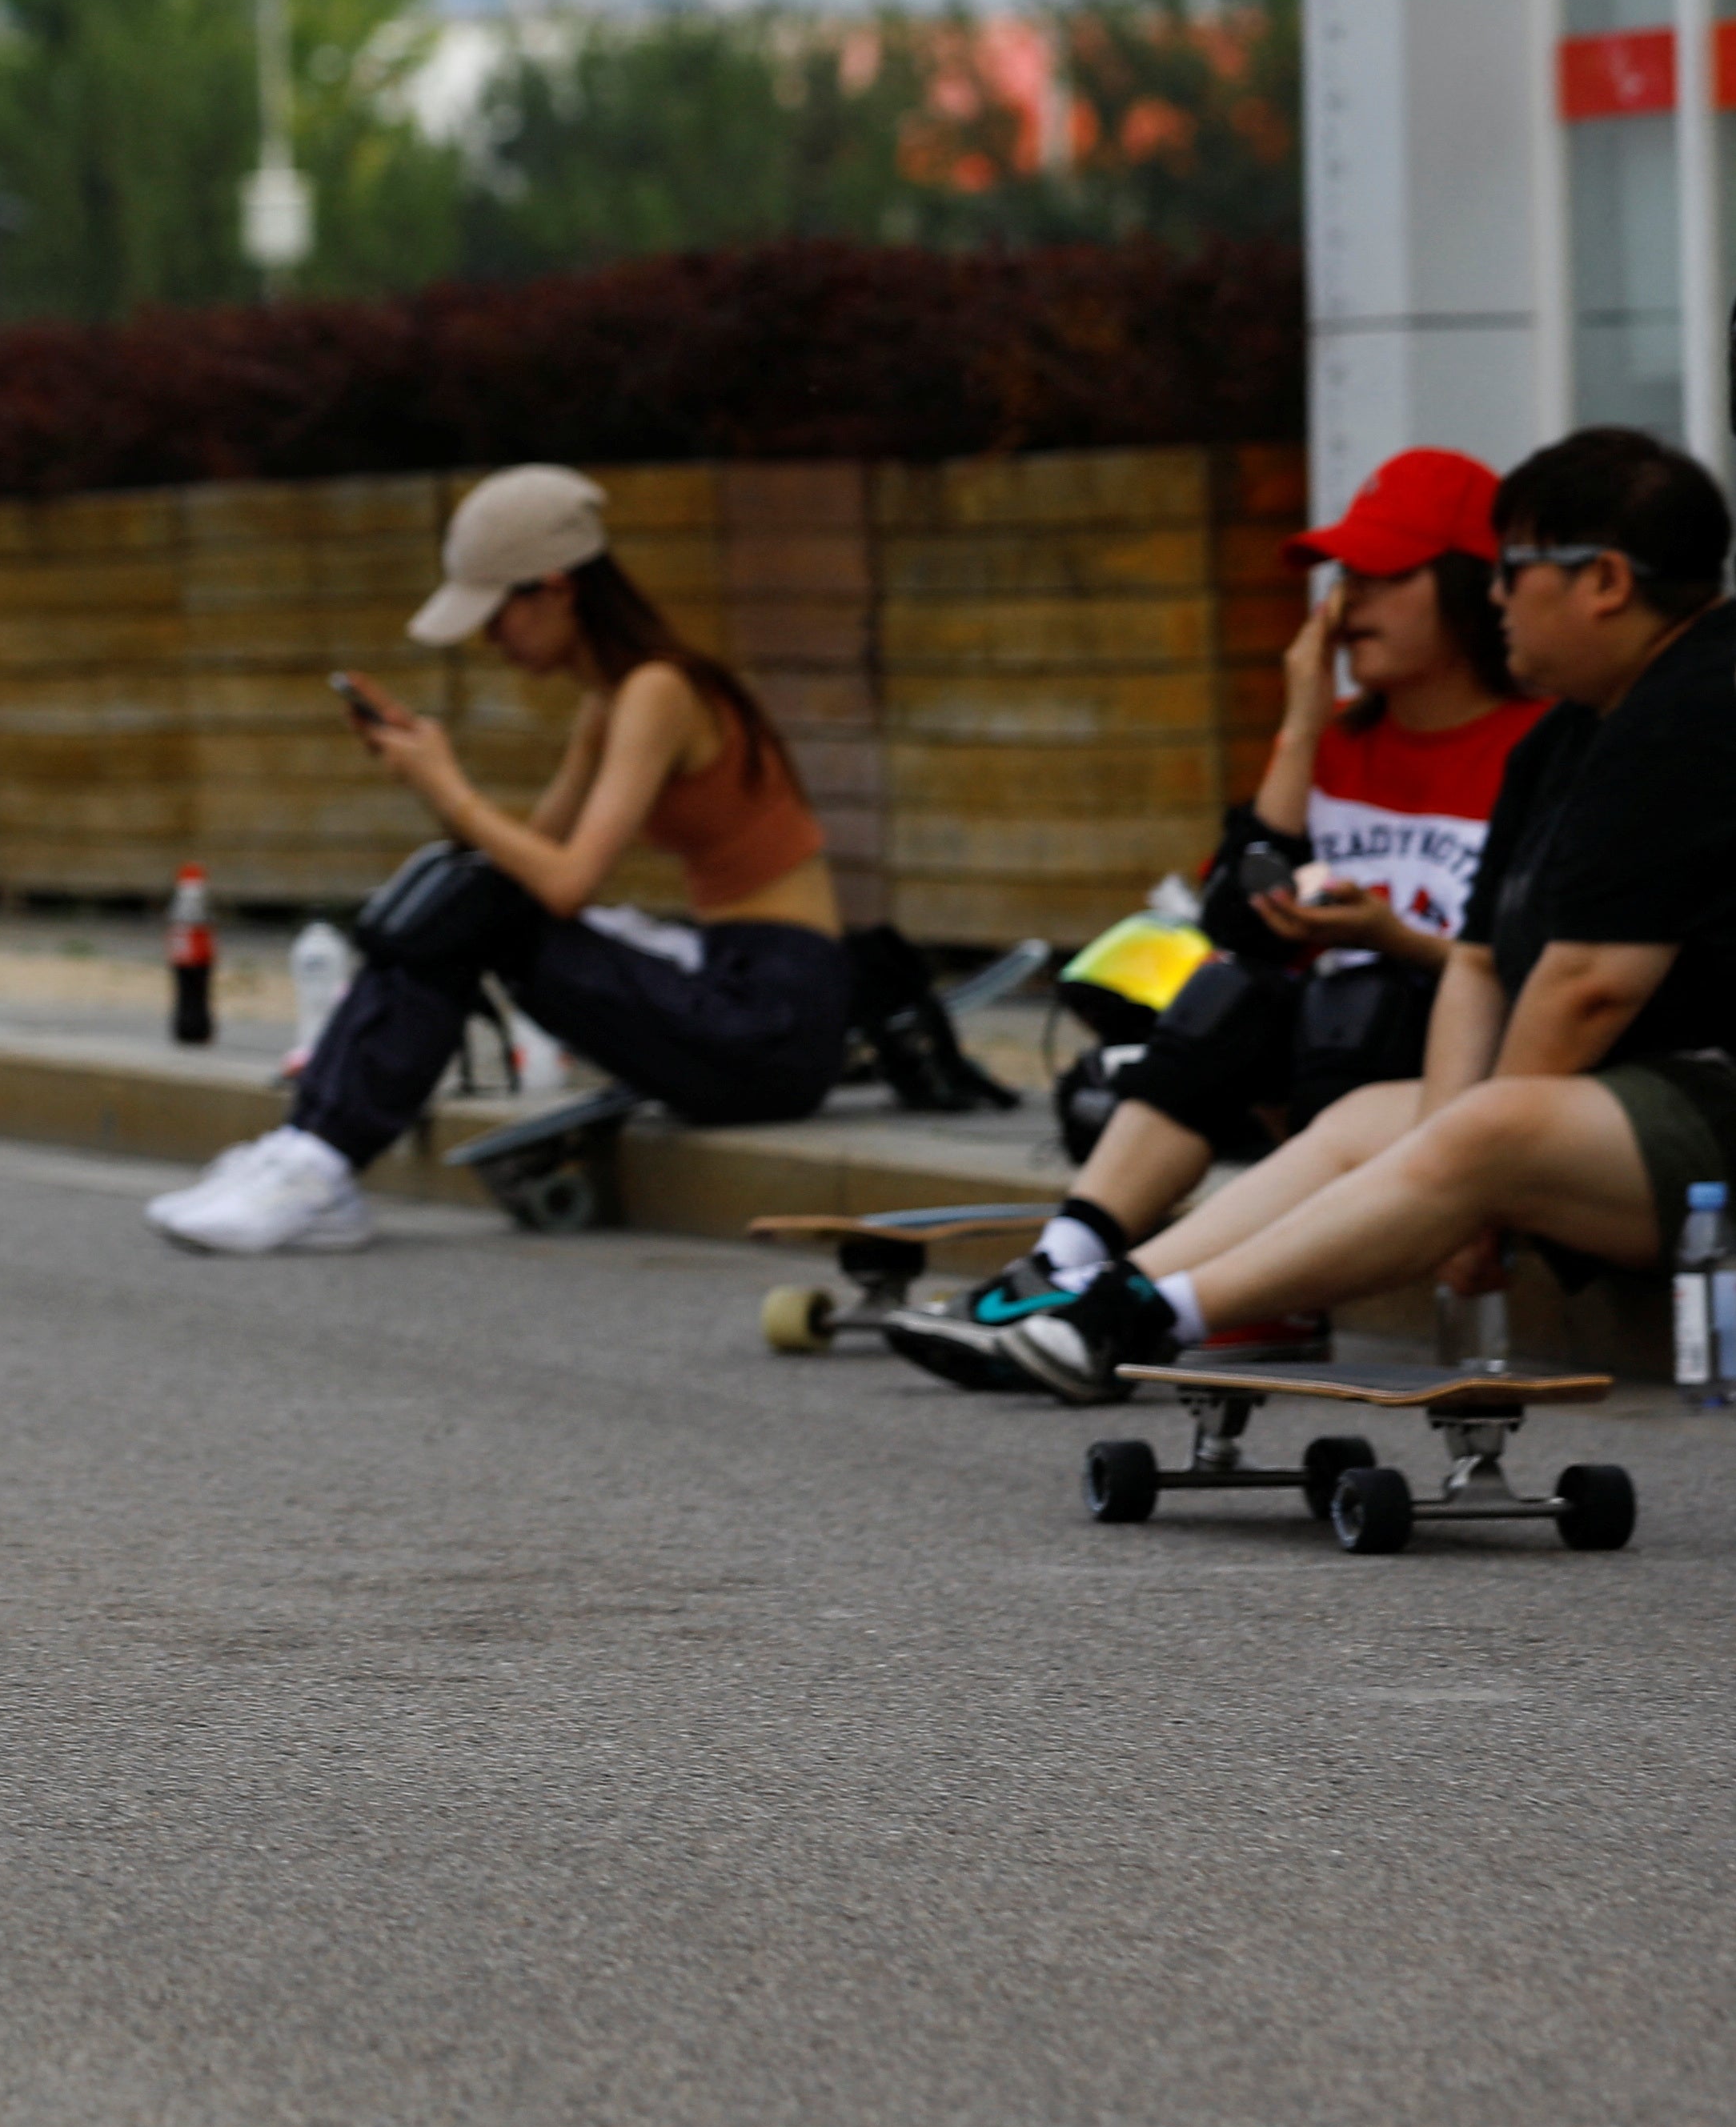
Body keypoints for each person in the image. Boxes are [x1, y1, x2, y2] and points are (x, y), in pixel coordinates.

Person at [976, 428, 1736, 1402]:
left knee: (1482, 1120)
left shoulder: (1700, 704)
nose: (1496, 594)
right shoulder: (1571, 730)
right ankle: (1096, 1289)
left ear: (1604, 581)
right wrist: (1458, 1151)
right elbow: (1476, 966)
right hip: (1647, 1098)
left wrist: (1476, 1192)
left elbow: (1587, 987)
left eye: (1512, 570)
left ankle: (1141, 1319)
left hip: (1707, 1098)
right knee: (1374, 1114)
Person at [888, 447, 1536, 1384]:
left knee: (1356, 997)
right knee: (1228, 986)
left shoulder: (1534, 746)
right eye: (1341, 577)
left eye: (1382, 576)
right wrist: (1302, 724)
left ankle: (1236, 1293)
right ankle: (1063, 1260)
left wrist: (1393, 938)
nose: (1347, 603)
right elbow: (1230, 921)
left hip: (1439, 1057)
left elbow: (1528, 967)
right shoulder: (1340, 747)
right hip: (1307, 1068)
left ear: (1468, 587)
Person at [147, 463, 852, 1256]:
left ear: (554, 589)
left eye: (495, 613)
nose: (489, 639)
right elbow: (513, 868)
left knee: (482, 910)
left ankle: (321, 1156)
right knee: (469, 896)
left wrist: (449, 790)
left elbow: (565, 883)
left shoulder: (658, 690)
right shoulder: (610, 702)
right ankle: (310, 1142)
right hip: (728, 994)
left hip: (771, 1025)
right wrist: (426, 774)